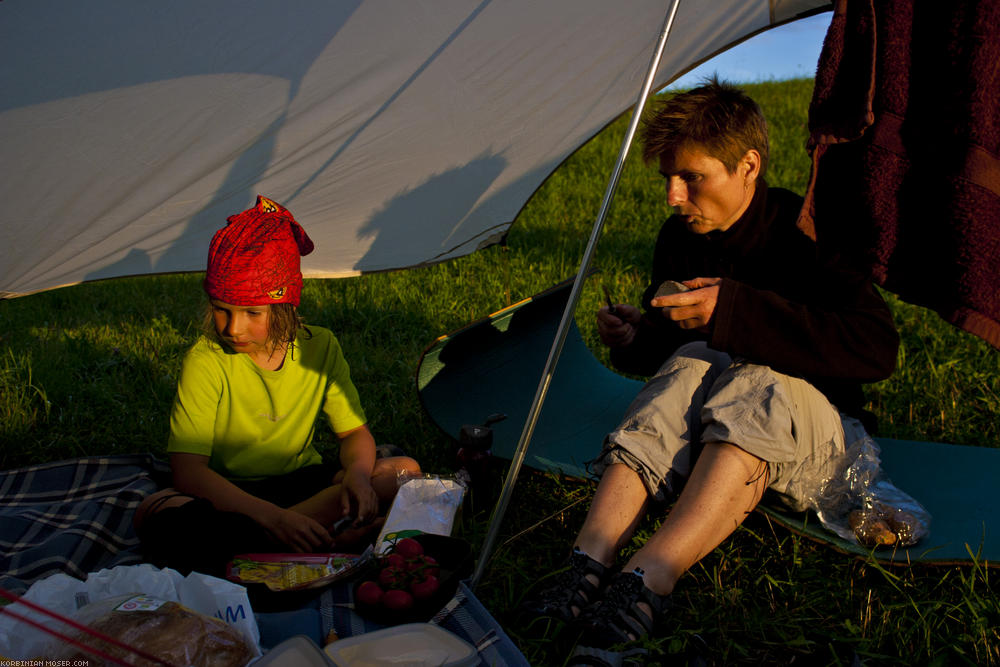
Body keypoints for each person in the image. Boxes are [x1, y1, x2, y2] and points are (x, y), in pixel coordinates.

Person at [523, 78, 899, 656]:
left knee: (759, 377)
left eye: (691, 178)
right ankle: (588, 560)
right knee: (693, 359)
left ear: (747, 165)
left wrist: (738, 311)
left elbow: (877, 347)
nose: (673, 196)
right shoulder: (680, 238)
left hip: (812, 439)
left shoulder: (812, 231)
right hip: (706, 438)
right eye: (667, 179)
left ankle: (647, 579)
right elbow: (666, 361)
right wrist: (635, 337)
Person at [135, 195, 420, 576]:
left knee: (402, 472)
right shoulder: (206, 359)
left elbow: (354, 433)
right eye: (221, 309)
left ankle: (270, 546)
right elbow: (188, 472)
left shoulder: (321, 347)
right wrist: (272, 518)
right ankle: (313, 538)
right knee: (152, 512)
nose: (232, 328)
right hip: (228, 495)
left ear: (284, 306)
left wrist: (356, 477)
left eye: (252, 313)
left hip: (303, 484)